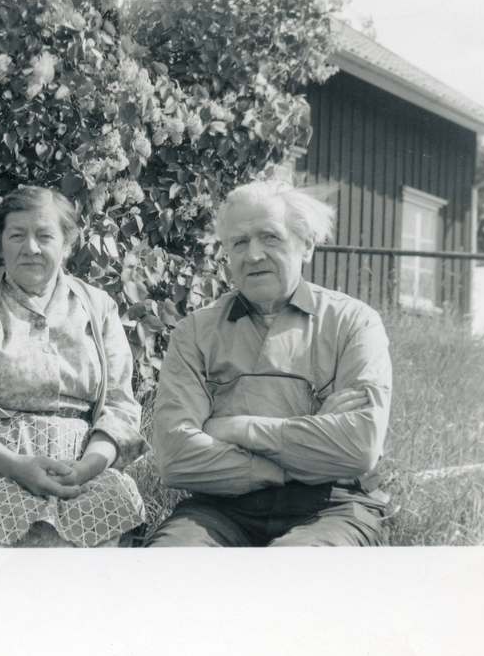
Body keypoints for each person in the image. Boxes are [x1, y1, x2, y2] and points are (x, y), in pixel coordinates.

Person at [146, 181, 393, 547]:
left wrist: (235, 428)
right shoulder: (194, 333)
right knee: (169, 561)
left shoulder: (354, 323)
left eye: (270, 237)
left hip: (334, 506)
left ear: (306, 245)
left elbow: (359, 448)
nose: (253, 255)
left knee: (295, 568)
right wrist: (309, 443)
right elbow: (176, 458)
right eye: (239, 242)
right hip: (220, 508)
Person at [0, 186, 146, 548]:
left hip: (81, 469)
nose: (30, 247)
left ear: (67, 244)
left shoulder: (99, 308)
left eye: (45, 235)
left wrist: (88, 467)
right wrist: (14, 465)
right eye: (17, 235)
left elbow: (120, 409)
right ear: (1, 242)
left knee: (96, 555)